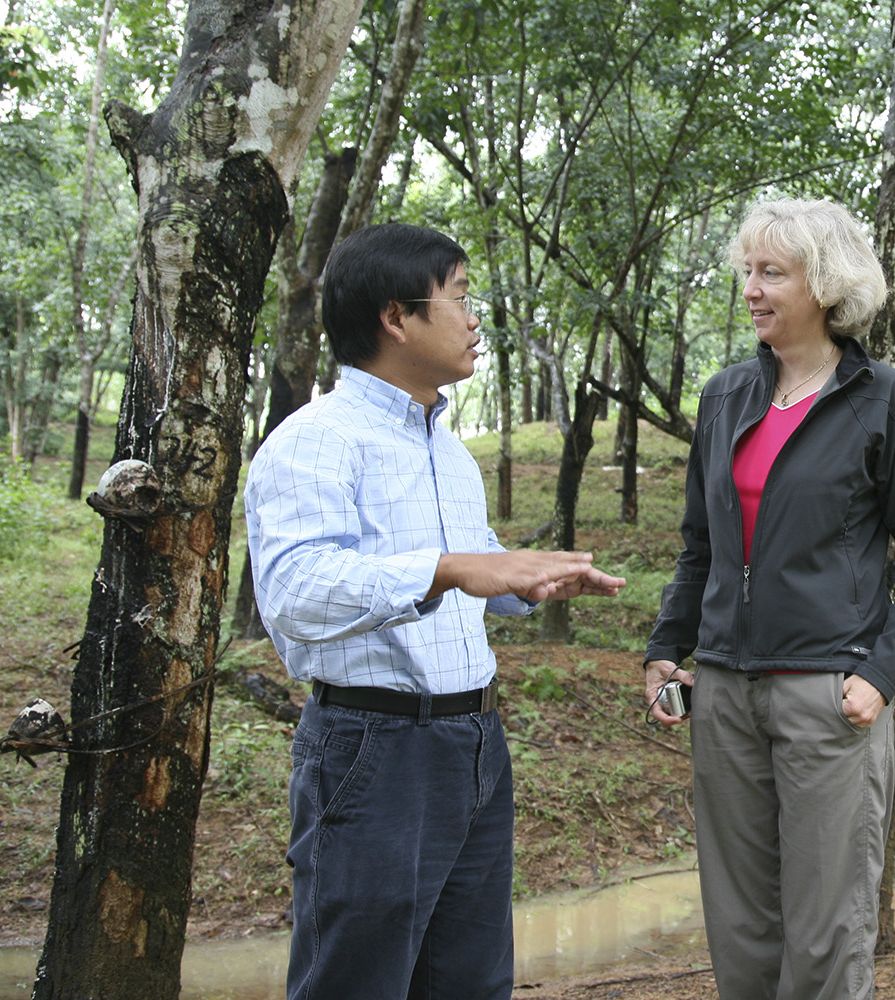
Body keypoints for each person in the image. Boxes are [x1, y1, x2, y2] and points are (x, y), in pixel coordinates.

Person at [244, 222, 625, 1000]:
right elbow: (296, 592)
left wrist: (526, 583)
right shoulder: (313, 442)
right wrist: (451, 568)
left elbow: (468, 567)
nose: (474, 317)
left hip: (474, 743)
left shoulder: (447, 450)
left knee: (469, 980)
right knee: (358, 981)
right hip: (372, 749)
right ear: (397, 317)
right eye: (458, 298)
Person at [643, 198, 895, 1000]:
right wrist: (664, 650)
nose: (751, 287)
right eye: (747, 270)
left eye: (771, 272)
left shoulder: (879, 398)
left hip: (827, 696)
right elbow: (700, 547)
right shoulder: (725, 398)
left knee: (824, 933)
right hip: (723, 691)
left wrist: (879, 676)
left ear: (822, 284)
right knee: (742, 930)